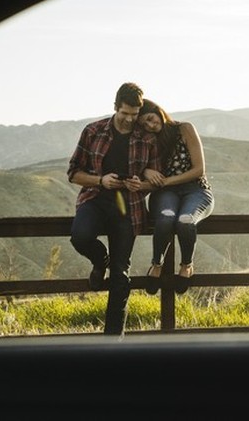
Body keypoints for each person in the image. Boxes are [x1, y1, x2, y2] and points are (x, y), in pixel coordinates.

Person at [66, 82, 159, 335]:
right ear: (115, 107)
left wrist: (140, 185)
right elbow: (73, 173)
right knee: (80, 237)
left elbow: (155, 181)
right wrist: (101, 180)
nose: (129, 119)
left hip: (129, 207)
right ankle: (100, 260)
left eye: (134, 114)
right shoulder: (93, 131)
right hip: (95, 199)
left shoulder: (147, 139)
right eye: (124, 113)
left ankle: (112, 342)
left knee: (121, 275)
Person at [138, 99, 215, 295]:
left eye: (150, 118)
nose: (150, 125)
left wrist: (166, 181)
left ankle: (186, 265)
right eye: (144, 124)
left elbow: (199, 170)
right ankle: (157, 265)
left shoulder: (185, 129)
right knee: (165, 219)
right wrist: (146, 171)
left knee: (185, 221)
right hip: (165, 193)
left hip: (195, 189)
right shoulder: (148, 140)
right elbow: (136, 165)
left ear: (157, 111)